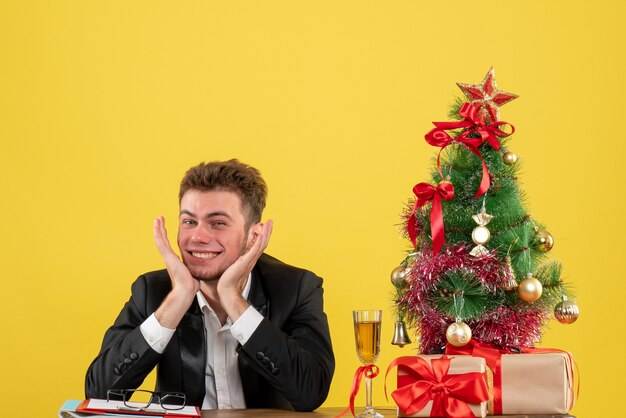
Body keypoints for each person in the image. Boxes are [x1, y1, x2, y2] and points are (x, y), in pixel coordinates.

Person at [85, 159, 335, 411]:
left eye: (218, 223)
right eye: (189, 222)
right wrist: (177, 300)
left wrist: (234, 300)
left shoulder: (297, 288)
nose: (198, 237)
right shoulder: (152, 291)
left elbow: (311, 392)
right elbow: (97, 393)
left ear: (254, 236)